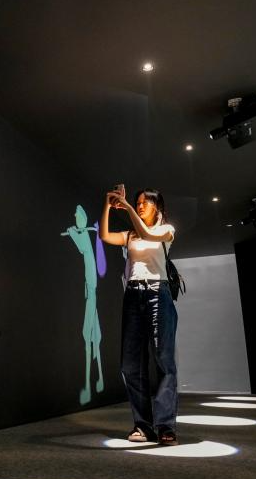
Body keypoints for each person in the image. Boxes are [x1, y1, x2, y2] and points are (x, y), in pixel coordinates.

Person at [101, 188, 180, 446]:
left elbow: (148, 234)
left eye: (145, 202)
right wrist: (108, 205)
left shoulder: (166, 230)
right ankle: (143, 425)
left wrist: (126, 206)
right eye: (137, 203)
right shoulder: (130, 235)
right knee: (131, 364)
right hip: (133, 294)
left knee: (163, 359)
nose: (140, 205)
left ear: (158, 206)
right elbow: (104, 235)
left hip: (158, 292)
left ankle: (166, 426)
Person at [61, 205, 105, 405]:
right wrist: (74, 233)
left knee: (88, 333)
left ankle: (90, 384)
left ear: (82, 219)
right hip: (90, 291)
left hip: (91, 292)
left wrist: (72, 233)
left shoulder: (85, 236)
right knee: (92, 332)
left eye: (77, 216)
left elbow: (81, 246)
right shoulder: (85, 235)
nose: (75, 218)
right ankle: (98, 379)